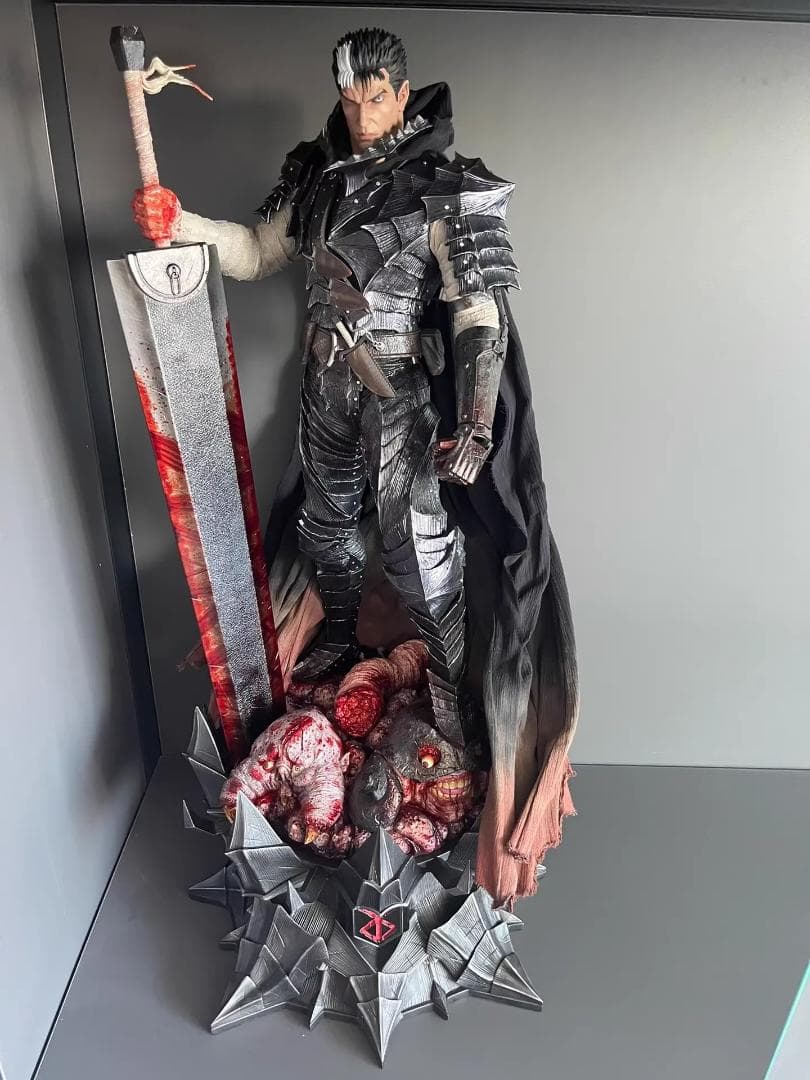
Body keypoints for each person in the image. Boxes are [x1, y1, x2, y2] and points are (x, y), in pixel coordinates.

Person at [134, 27, 578, 904]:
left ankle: (448, 690)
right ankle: (336, 640)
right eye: (350, 97)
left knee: (417, 545)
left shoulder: (449, 187)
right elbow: (257, 252)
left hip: (400, 389)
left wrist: (476, 422)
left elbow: (478, 315)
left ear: (403, 95)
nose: (363, 113)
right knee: (326, 528)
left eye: (376, 97)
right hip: (326, 387)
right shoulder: (319, 176)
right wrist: (177, 222)